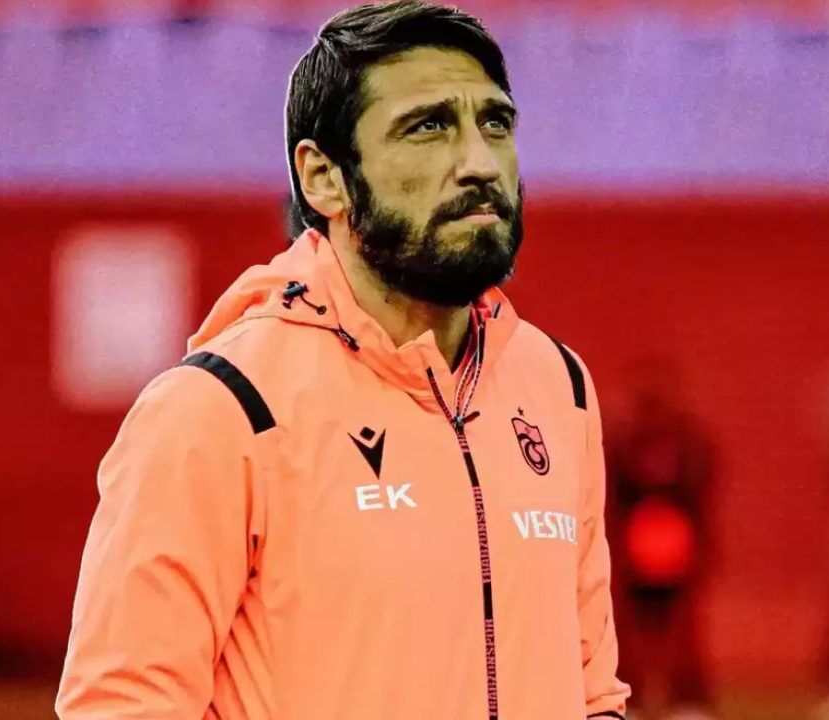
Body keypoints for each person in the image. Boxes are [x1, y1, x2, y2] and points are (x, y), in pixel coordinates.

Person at [56, 3, 630, 719]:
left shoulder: (558, 385)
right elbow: (124, 706)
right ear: (323, 177)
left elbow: (592, 687)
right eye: (428, 127)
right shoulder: (220, 407)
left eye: (495, 124)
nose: (480, 163)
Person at [606, 368, 713, 719]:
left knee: (683, 632)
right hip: (634, 549)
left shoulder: (690, 443)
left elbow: (701, 494)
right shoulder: (622, 446)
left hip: (677, 548)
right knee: (625, 632)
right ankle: (631, 698)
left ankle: (689, 700)